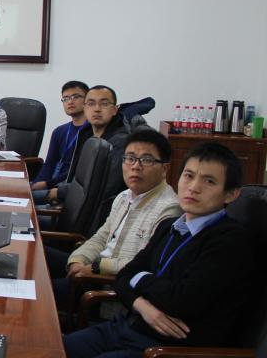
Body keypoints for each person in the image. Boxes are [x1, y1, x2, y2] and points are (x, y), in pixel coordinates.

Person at [61, 143, 258, 358]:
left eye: (209, 181)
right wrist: (144, 306)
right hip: (130, 325)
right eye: (189, 176)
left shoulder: (229, 241)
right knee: (47, 352)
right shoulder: (170, 227)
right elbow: (123, 277)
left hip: (165, 353)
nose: (194, 187)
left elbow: (180, 300)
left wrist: (141, 278)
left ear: (230, 194)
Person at [44, 130, 181, 303]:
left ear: (164, 169)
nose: (135, 166)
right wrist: (77, 260)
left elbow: (144, 264)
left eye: (146, 160)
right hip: (92, 269)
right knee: (35, 254)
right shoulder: (124, 196)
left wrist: (95, 268)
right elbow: (101, 238)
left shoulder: (169, 209)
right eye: (130, 158)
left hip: (109, 286)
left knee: (37, 291)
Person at [47, 85, 135, 225]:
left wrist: (57, 192)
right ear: (85, 108)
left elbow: (102, 189)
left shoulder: (120, 143)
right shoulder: (86, 134)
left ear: (114, 110)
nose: (97, 109)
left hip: (92, 219)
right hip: (69, 206)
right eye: (91, 103)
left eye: (104, 104)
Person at [32, 81, 89, 201]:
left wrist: (46, 184)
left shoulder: (91, 132)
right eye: (66, 98)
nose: (70, 101)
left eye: (75, 97)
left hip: (68, 189)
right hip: (51, 183)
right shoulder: (59, 131)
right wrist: (35, 185)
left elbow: (78, 171)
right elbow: (49, 164)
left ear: (87, 100)